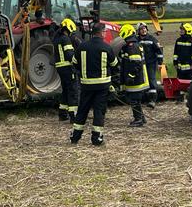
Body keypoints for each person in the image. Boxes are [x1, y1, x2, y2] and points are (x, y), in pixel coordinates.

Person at [71, 18, 118, 146]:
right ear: (101, 33)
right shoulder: (106, 47)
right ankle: (96, 138)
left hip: (86, 85)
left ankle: (75, 137)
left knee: (82, 110)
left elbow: (74, 63)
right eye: (104, 31)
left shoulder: (82, 46)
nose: (105, 33)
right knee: (99, 112)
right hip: (102, 86)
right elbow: (115, 65)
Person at [118, 24, 149, 127]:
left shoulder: (132, 46)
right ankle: (141, 118)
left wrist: (130, 76)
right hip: (138, 77)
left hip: (136, 79)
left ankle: (138, 119)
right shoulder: (133, 45)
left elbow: (136, 64)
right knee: (136, 99)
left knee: (134, 99)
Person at [54, 17, 80, 122]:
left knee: (65, 90)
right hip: (68, 68)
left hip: (60, 68)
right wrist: (77, 62)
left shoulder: (57, 39)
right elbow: (69, 55)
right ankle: (74, 116)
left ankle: (62, 113)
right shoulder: (65, 39)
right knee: (73, 91)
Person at [136, 22, 163, 108]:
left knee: (151, 80)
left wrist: (160, 63)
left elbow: (159, 52)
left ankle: (152, 100)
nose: (143, 30)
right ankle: (143, 99)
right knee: (142, 81)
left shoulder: (152, 39)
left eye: (144, 28)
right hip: (141, 65)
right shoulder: (136, 40)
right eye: (141, 29)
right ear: (138, 31)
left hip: (151, 64)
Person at [172, 23, 192, 89]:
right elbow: (175, 53)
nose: (181, 31)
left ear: (188, 31)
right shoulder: (178, 40)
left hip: (190, 69)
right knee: (180, 86)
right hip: (180, 68)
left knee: (191, 86)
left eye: (183, 29)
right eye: (180, 29)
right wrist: (175, 62)